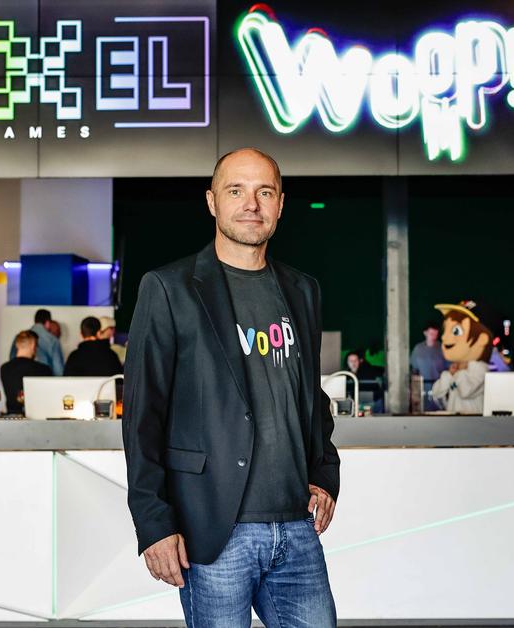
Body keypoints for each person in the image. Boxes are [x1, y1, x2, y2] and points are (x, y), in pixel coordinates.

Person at [123, 148, 339, 627]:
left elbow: (311, 396)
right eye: (236, 190)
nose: (251, 204)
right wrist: (154, 523)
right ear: (212, 201)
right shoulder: (169, 288)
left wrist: (325, 474)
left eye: (265, 192)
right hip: (213, 530)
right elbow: (142, 414)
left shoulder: (303, 290)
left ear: (280, 204)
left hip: (296, 527)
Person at [0, 330, 53, 414]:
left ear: (17, 345)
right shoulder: (43, 369)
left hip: (11, 417)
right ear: (33, 345)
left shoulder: (4, 368)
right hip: (36, 416)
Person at [9, 308, 64, 376]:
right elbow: (58, 370)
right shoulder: (53, 340)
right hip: (43, 379)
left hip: (19, 378)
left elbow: (12, 360)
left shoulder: (19, 337)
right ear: (47, 323)